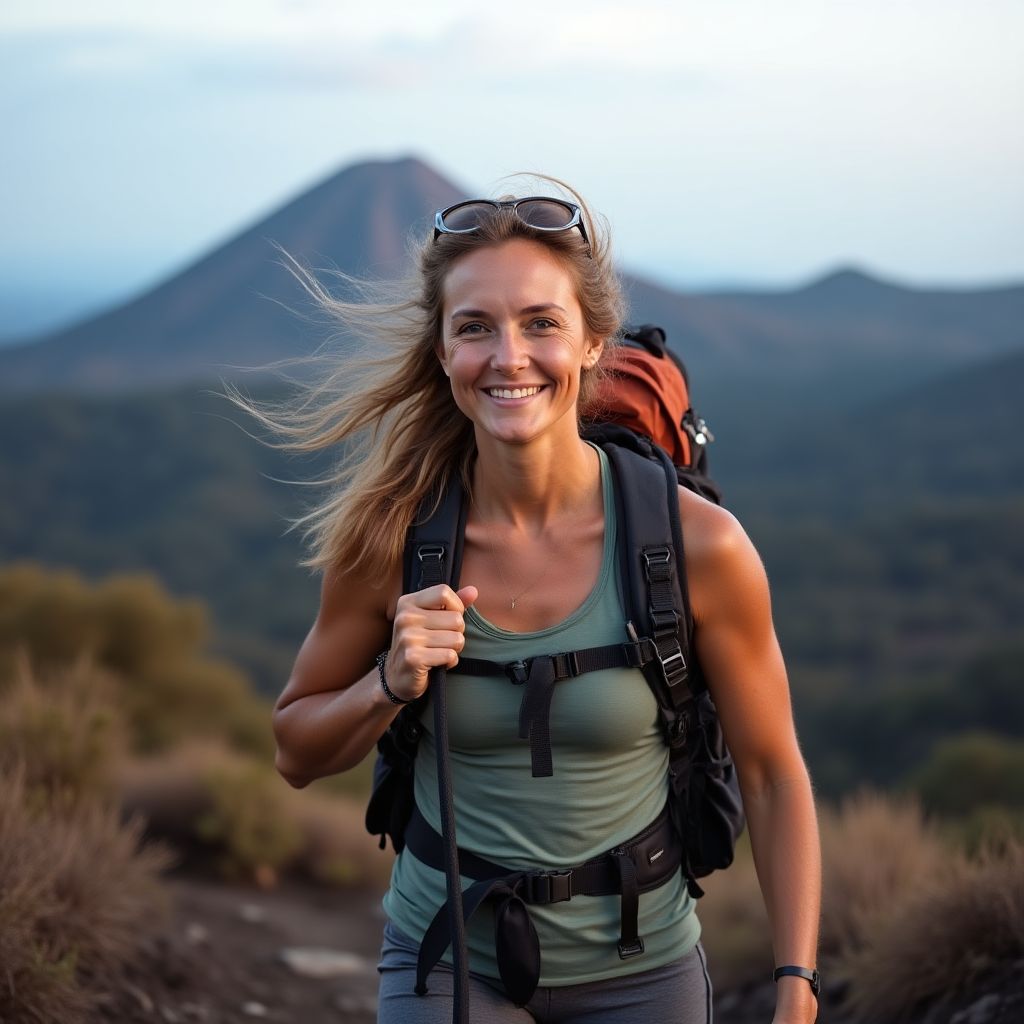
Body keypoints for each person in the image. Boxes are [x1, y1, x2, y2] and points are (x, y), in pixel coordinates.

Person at [261, 182, 821, 1023]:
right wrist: (388, 682)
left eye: (541, 323)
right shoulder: (392, 541)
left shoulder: (698, 547)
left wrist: (797, 987)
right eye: (475, 328)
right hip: (447, 959)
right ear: (442, 351)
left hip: (644, 968)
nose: (508, 356)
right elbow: (294, 753)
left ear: (593, 342)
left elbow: (774, 775)